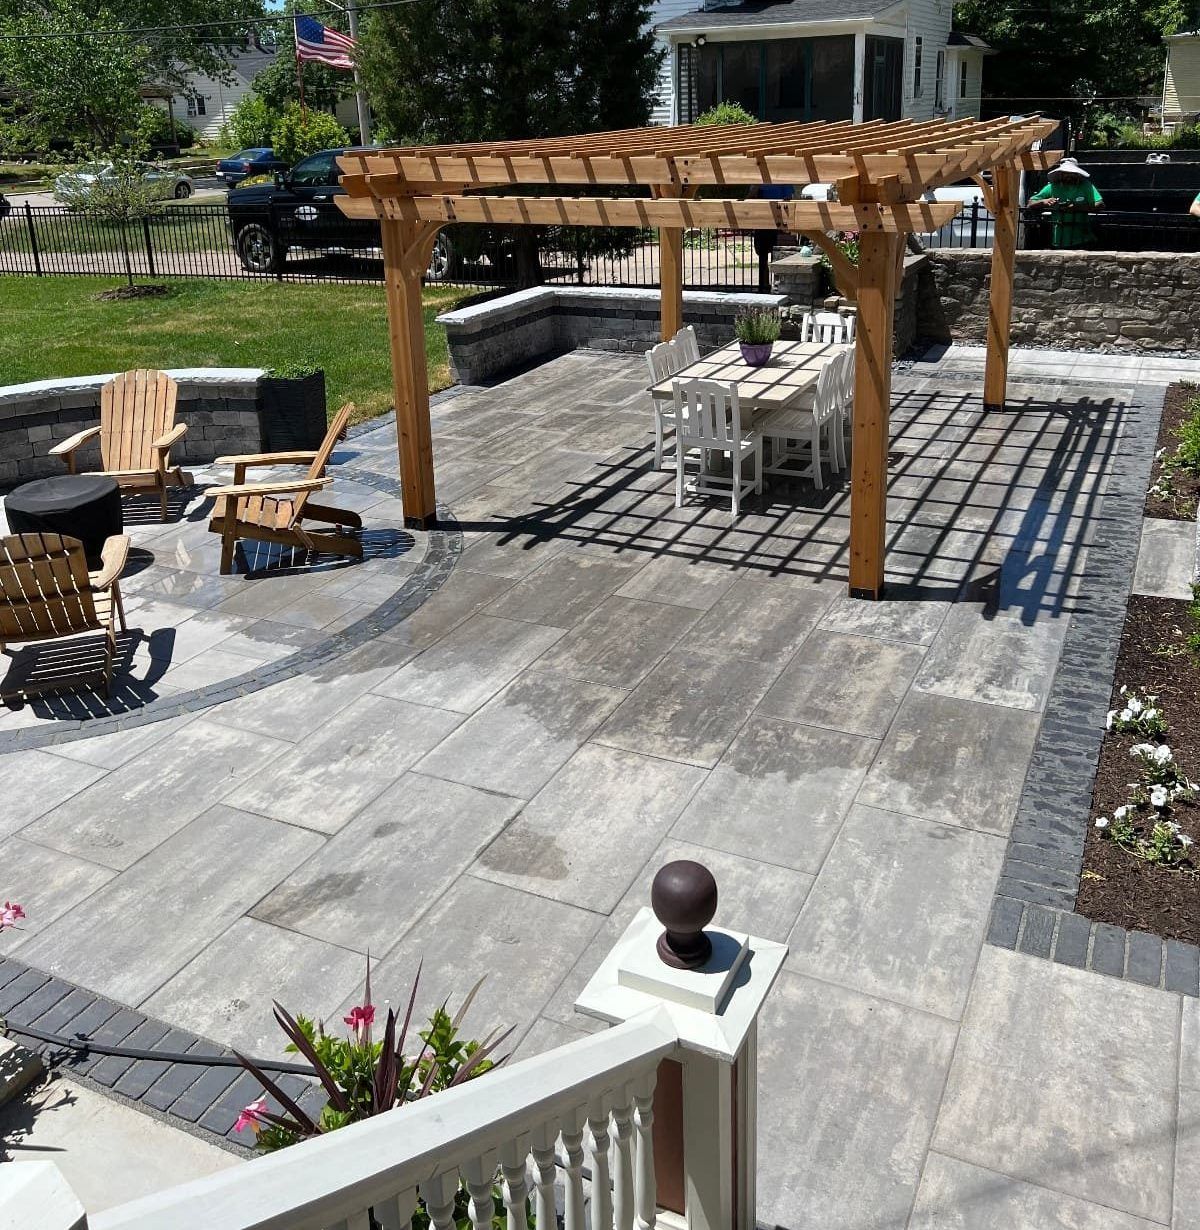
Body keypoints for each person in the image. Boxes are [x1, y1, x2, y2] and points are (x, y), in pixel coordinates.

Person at [1028, 157, 1103, 249]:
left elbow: (1100, 204)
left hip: (1083, 239)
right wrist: (1044, 201)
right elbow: (1031, 203)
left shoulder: (1086, 186)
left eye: (1071, 173)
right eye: (1065, 173)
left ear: (1077, 174)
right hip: (1058, 240)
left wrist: (1076, 207)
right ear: (1060, 174)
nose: (1068, 175)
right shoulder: (1052, 187)